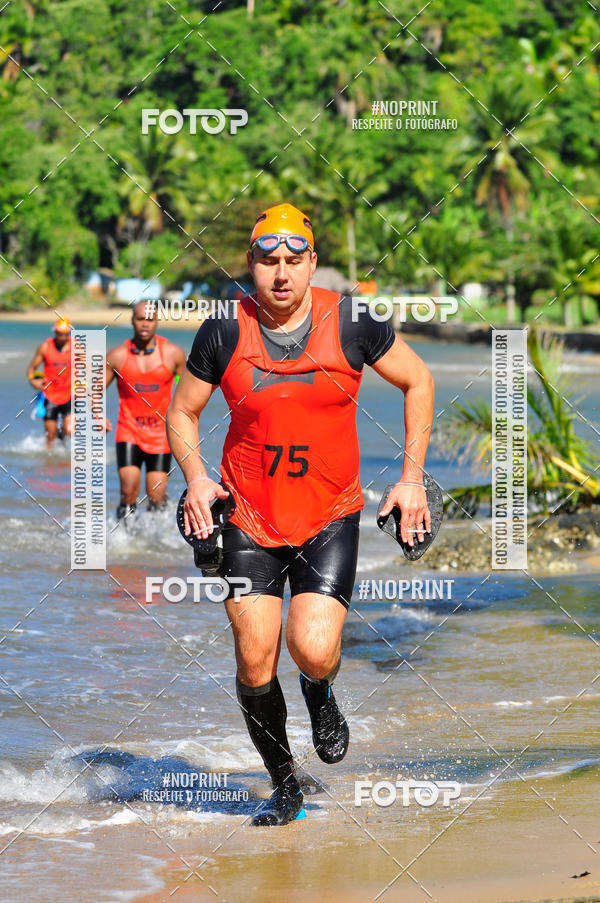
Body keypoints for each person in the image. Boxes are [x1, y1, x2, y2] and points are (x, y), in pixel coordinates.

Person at [166, 203, 435, 826]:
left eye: (294, 260)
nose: (281, 274)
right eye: (267, 261)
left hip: (328, 515)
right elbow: (182, 414)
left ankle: (320, 690)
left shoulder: (353, 322)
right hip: (246, 517)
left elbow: (418, 381)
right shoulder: (223, 330)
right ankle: (284, 782)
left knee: (311, 649)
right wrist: (199, 478)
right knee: (255, 654)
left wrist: (412, 481)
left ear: (313, 262)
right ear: (251, 266)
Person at [106, 301, 186, 523]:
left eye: (149, 320)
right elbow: (94, 389)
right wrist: (96, 415)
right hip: (129, 431)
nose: (145, 324)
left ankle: (154, 540)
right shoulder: (117, 356)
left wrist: (187, 424)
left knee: (156, 495)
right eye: (140, 319)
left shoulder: (174, 355)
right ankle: (125, 538)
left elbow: (189, 394)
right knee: (128, 491)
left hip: (161, 435)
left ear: (156, 322)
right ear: (132, 320)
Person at [27, 319, 72, 449]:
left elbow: (87, 369)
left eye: (65, 334)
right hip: (50, 395)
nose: (62, 337)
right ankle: (49, 461)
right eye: (59, 334)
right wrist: (33, 380)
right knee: (50, 436)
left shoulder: (76, 348)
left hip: (68, 395)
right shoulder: (45, 347)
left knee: (69, 430)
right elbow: (31, 368)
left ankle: (62, 443)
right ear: (55, 332)